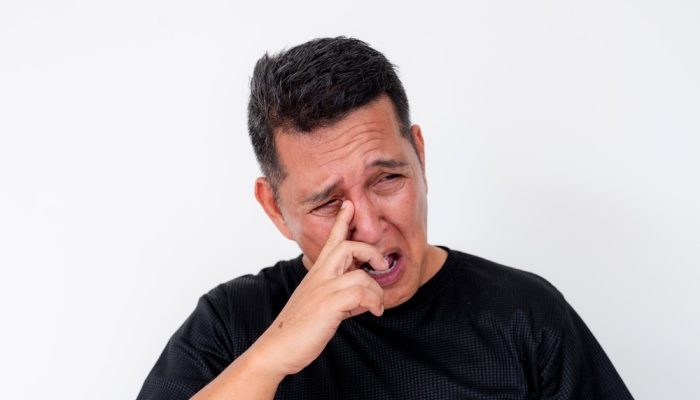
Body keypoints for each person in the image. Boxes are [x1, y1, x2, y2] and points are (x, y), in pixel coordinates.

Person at [137, 37, 633, 399]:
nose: (370, 229)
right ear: (275, 208)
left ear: (418, 153)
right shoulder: (230, 326)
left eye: (387, 180)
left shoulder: (527, 317)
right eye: (328, 203)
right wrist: (271, 358)